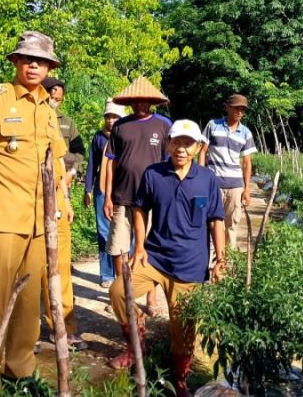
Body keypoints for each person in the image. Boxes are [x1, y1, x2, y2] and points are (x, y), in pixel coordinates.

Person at [0, 31, 66, 394]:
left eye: (41, 61)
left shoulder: (48, 109)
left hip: (39, 224)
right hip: (2, 221)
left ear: (50, 66)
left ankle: (19, 372)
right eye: (27, 59)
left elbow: (58, 162)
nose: (34, 65)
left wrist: (62, 208)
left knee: (28, 308)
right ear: (16, 62)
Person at [108, 120, 225, 397]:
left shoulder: (207, 179)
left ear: (198, 148)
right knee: (117, 292)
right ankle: (136, 344)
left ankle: (180, 377)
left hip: (189, 264)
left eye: (188, 143)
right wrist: (139, 247)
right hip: (155, 258)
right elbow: (139, 209)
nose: (181, 149)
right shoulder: (154, 174)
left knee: (182, 327)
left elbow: (216, 220)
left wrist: (221, 258)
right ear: (168, 144)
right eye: (176, 142)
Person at [103, 76, 171, 317]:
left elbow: (168, 163)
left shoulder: (164, 126)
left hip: (152, 199)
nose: (141, 105)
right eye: (137, 101)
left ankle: (152, 297)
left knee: (148, 248)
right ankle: (124, 295)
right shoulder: (120, 126)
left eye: (145, 101)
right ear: (130, 102)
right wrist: (108, 196)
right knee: (119, 247)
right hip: (122, 196)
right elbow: (111, 163)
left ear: (152, 102)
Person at [39, 76, 87, 350]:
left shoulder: (63, 123)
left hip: (57, 197)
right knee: (30, 271)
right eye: (49, 95)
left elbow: (63, 158)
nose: (52, 101)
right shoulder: (19, 113)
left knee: (60, 270)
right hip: (27, 203)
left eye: (56, 97)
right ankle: (25, 333)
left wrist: (66, 197)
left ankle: (65, 328)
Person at [198, 94, 258, 249]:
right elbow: (203, 151)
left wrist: (247, 190)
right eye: (236, 108)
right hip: (212, 183)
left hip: (235, 185)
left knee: (231, 224)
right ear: (227, 108)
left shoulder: (245, 133)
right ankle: (210, 258)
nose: (239, 112)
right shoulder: (213, 125)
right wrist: (200, 177)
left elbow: (246, 163)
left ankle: (226, 261)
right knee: (210, 221)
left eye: (243, 109)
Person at [84, 99, 127, 287]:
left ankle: (125, 274)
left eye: (115, 116)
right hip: (102, 189)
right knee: (104, 233)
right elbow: (92, 165)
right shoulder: (99, 138)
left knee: (125, 233)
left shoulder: (126, 136)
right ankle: (107, 274)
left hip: (124, 189)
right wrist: (88, 189)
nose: (111, 120)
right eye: (108, 116)